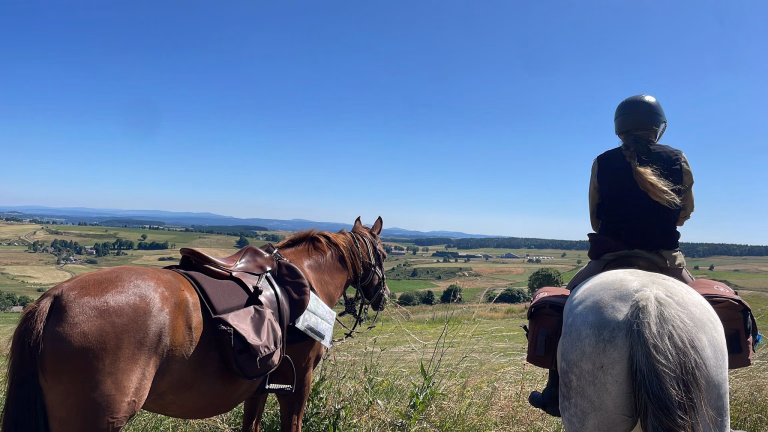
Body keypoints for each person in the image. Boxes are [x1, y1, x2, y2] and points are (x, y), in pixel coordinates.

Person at [528, 94, 695, 417]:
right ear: (658, 127)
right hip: (665, 258)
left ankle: (554, 391)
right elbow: (684, 213)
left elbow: (596, 218)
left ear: (619, 129)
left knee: (560, 305)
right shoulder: (677, 159)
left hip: (609, 257)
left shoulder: (603, 162)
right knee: (712, 306)